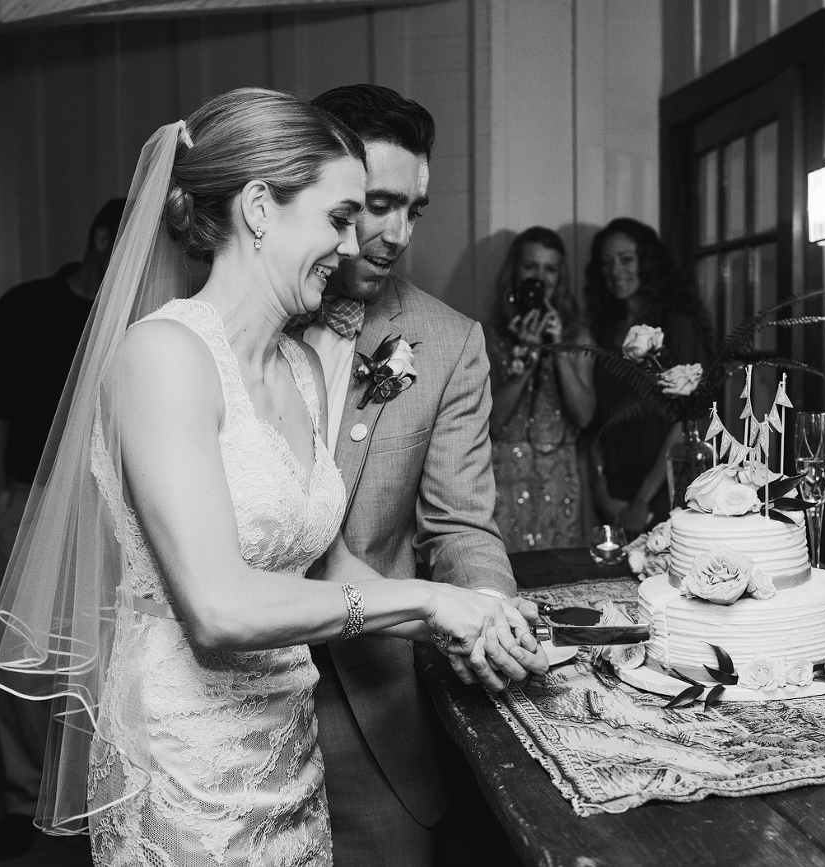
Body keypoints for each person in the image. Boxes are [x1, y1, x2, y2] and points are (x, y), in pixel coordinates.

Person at [0, 88, 542, 867]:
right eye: (340, 216)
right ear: (258, 208)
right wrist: (422, 596)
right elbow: (215, 607)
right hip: (192, 765)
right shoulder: (162, 357)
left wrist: (471, 610)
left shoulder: (298, 367)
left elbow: (329, 558)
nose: (354, 246)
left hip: (285, 752)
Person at [300, 84, 547, 866]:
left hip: (369, 707)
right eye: (378, 203)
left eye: (415, 210)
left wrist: (486, 610)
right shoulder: (225, 327)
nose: (398, 234)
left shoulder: (445, 342)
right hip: (223, 695)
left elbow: (461, 523)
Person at [0, 196, 125, 862]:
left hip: (110, 510)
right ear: (99, 239)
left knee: (97, 660)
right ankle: (20, 797)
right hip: (29, 499)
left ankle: (86, 799)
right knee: (22, 655)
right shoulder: (24, 305)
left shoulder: (142, 314)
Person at [584, 218, 708, 535]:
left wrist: (642, 502)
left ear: (648, 262)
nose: (615, 270)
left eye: (626, 259)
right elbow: (595, 419)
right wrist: (601, 492)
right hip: (613, 494)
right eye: (606, 262)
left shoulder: (676, 325)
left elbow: (686, 420)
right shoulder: (603, 330)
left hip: (662, 489)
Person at [485, 227, 595, 550]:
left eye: (550, 269)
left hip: (559, 472)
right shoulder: (490, 335)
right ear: (515, 271)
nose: (540, 278)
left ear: (561, 277)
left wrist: (556, 346)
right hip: (504, 471)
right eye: (530, 267)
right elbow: (490, 423)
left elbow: (585, 415)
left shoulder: (578, 335)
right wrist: (526, 357)